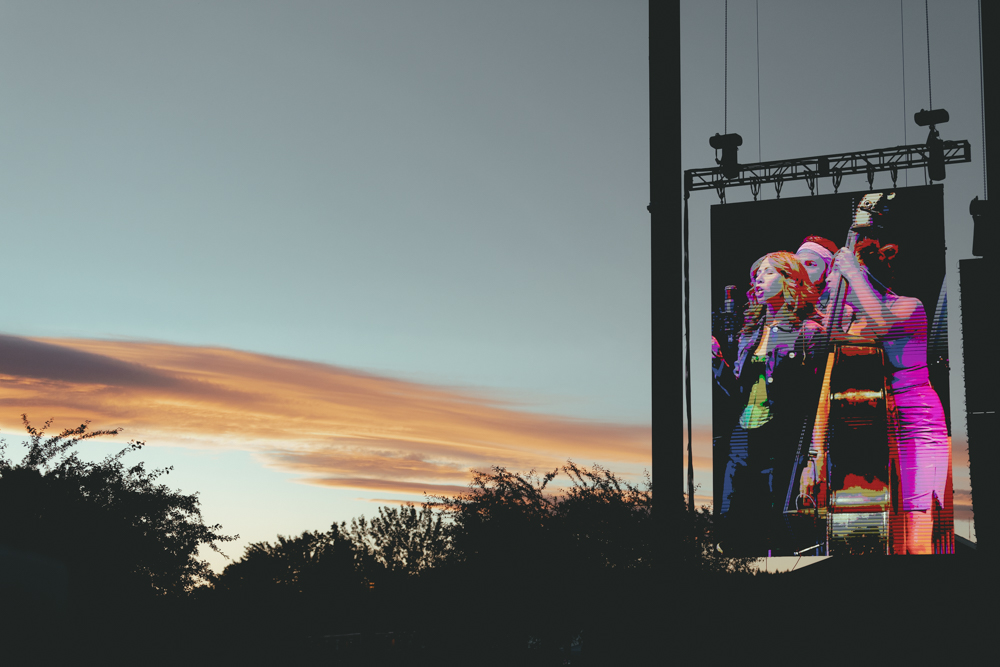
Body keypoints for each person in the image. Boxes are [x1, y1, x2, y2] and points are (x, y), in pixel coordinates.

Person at [814, 233, 951, 554]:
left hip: (917, 426)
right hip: (875, 431)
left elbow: (884, 325)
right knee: (890, 533)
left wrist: (852, 273)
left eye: (836, 272)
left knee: (916, 530)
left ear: (860, 273)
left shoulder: (908, 307)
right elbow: (823, 348)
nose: (829, 280)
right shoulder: (853, 324)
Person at [712, 251, 824, 555]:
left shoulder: (809, 333)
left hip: (780, 448)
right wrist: (718, 361)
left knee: (777, 534)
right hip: (740, 443)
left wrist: (814, 460)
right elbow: (736, 395)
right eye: (756, 275)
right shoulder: (750, 333)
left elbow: (817, 402)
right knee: (730, 531)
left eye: (768, 272)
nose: (757, 279)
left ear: (790, 279)